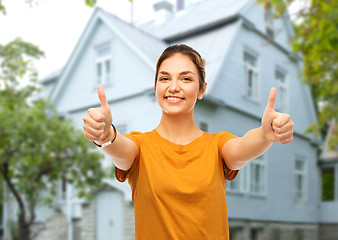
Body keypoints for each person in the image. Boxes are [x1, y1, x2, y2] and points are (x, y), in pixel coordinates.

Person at [82, 44, 294, 240]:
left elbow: (242, 148)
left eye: (185, 79)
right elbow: (119, 148)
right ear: (156, 86)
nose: (173, 87)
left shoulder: (217, 145)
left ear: (202, 89)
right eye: (164, 79)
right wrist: (105, 135)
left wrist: (265, 135)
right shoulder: (140, 147)